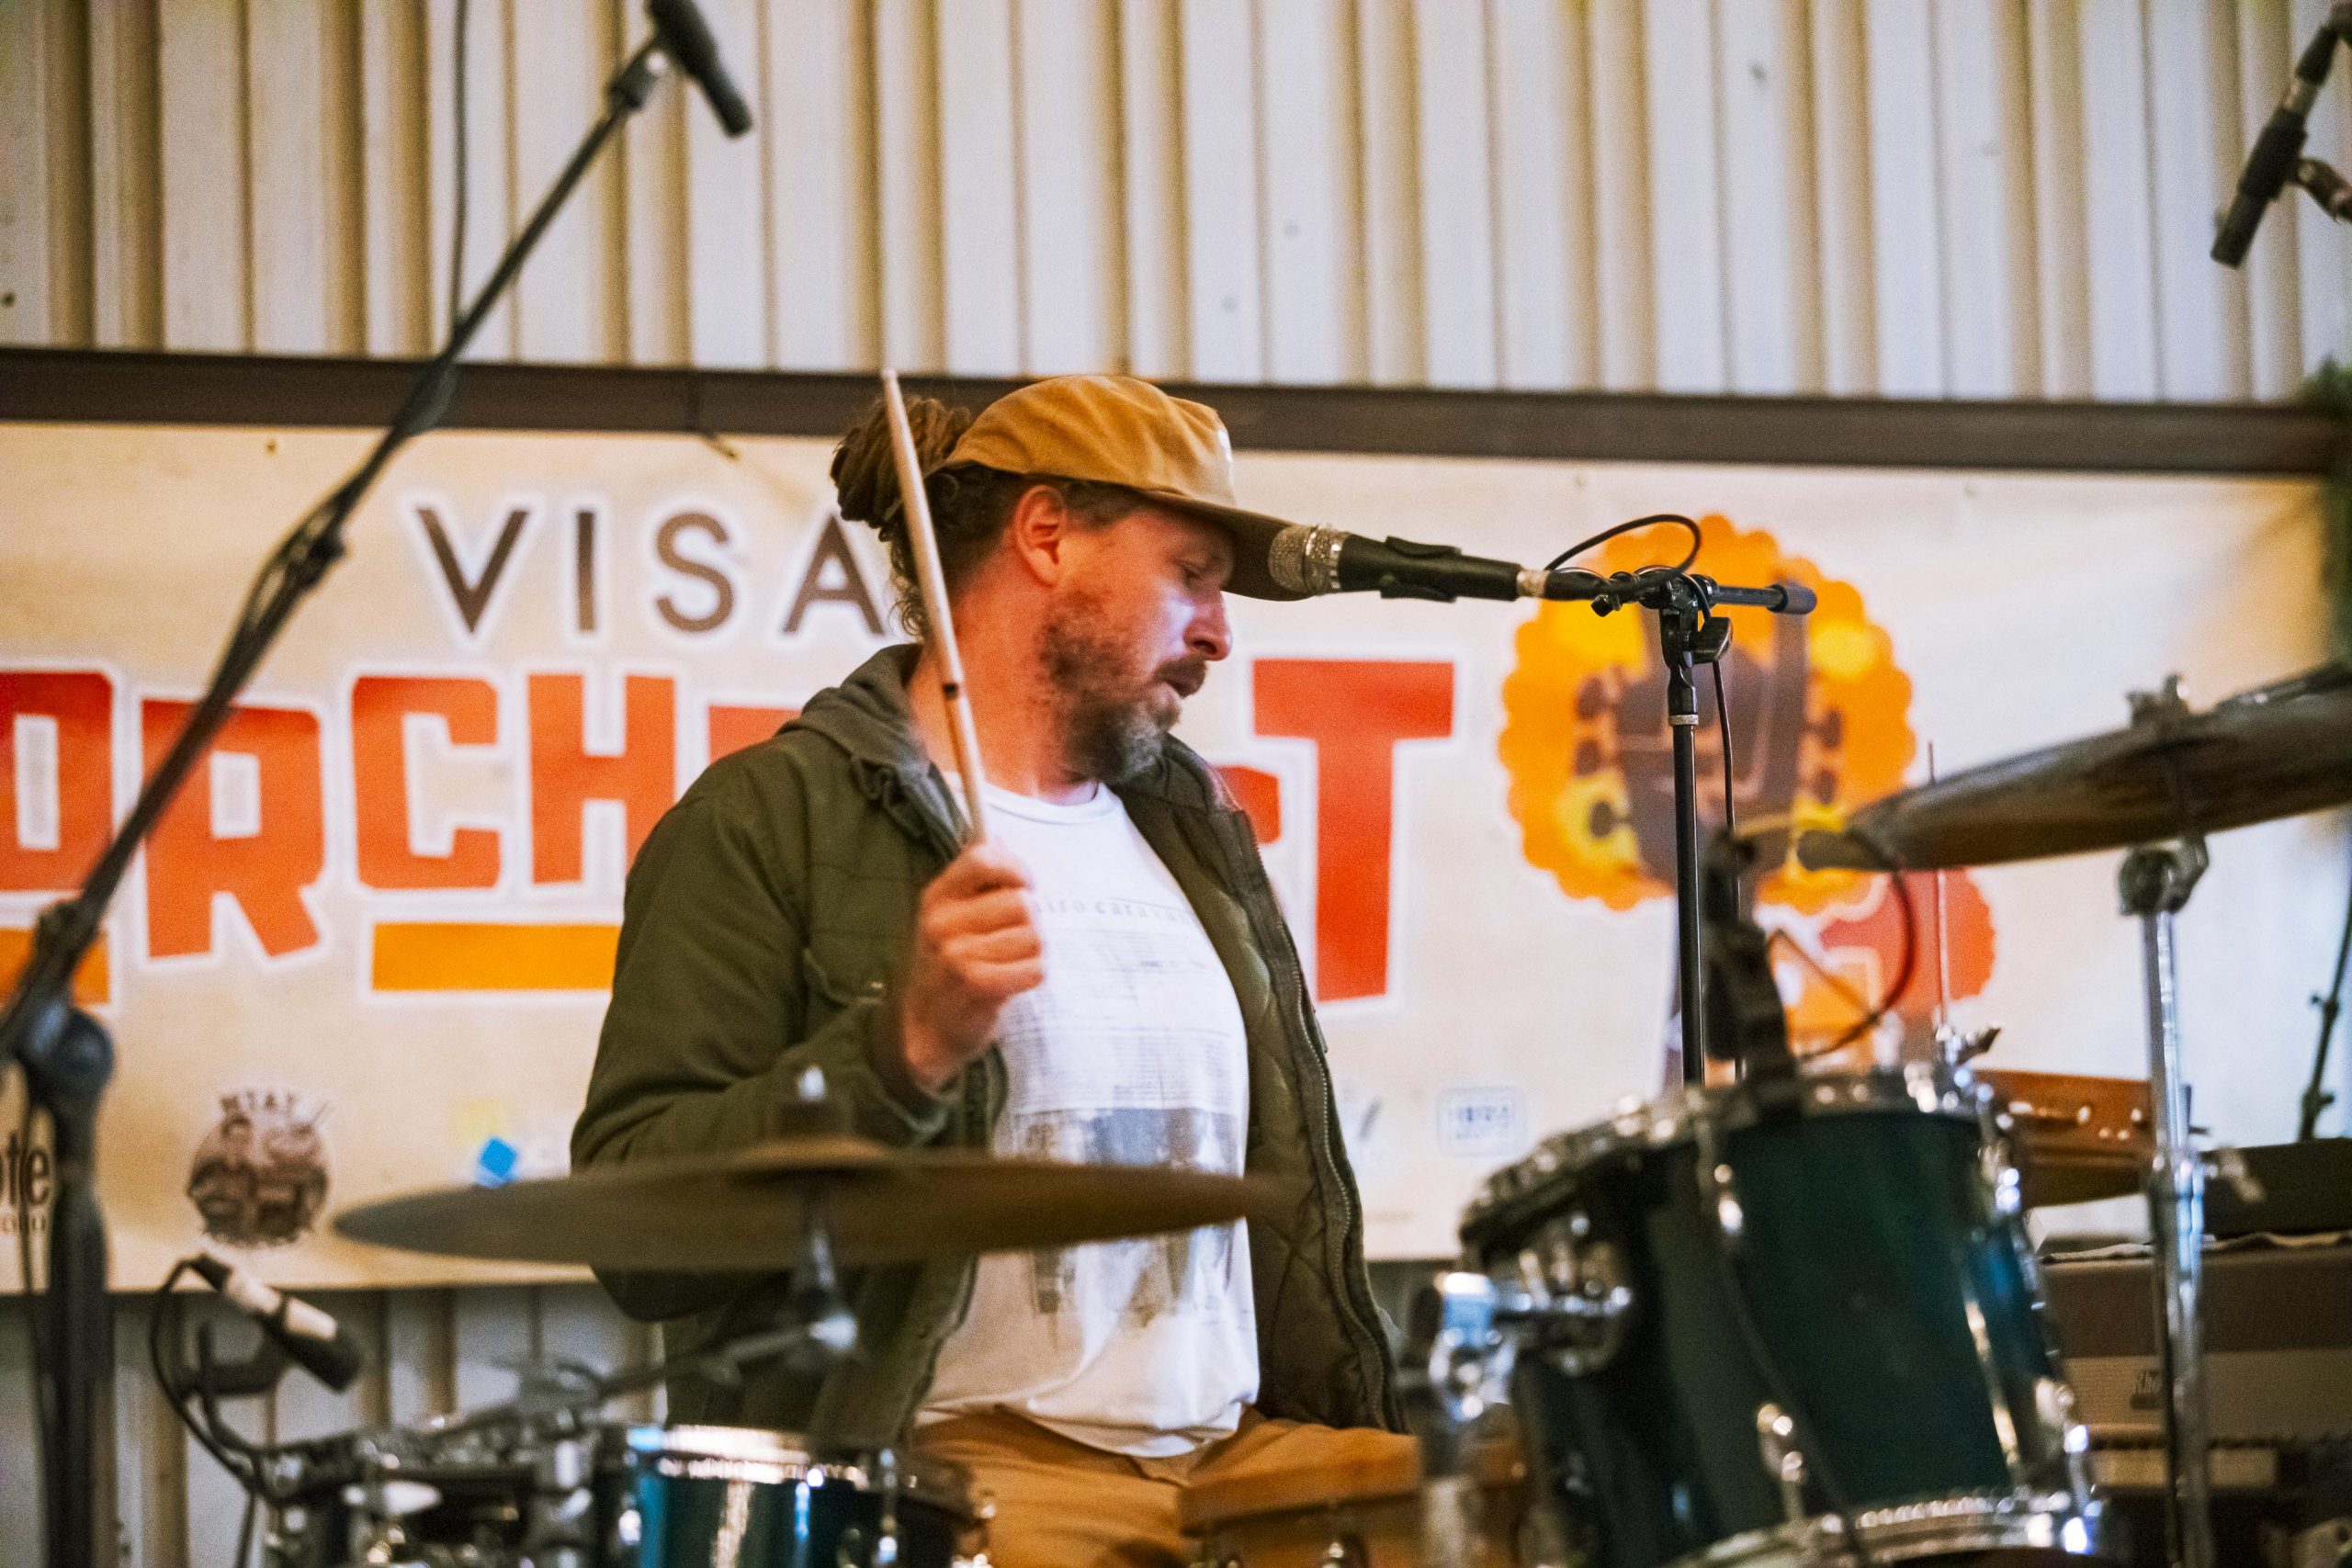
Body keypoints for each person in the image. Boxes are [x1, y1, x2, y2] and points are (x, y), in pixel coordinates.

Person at [571, 374, 1407, 1566]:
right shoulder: (769, 818)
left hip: (1232, 1456)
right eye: (1191, 575)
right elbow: (636, 1230)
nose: (1221, 632)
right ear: (1047, 536)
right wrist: (900, 1050)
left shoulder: (1192, 824)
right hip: (956, 1469)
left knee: (1521, 1503)